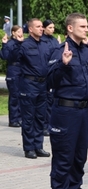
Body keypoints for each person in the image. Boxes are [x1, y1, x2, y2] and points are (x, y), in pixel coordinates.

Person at [46, 13, 88, 189]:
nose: (87, 29)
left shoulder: (86, 51)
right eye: (83, 26)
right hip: (65, 112)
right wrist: (62, 64)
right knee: (64, 158)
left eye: (87, 26)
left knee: (79, 158)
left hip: (83, 112)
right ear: (70, 28)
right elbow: (49, 81)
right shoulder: (60, 51)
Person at [17, 18, 52, 159]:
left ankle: (38, 146)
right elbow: (13, 58)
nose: (41, 29)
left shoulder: (46, 44)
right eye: (38, 26)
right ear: (30, 29)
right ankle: (29, 147)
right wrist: (15, 43)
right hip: (29, 84)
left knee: (40, 117)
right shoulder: (24, 45)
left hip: (43, 85)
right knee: (28, 117)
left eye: (41, 27)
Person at [1, 25, 24, 127]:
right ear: (13, 33)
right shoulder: (10, 44)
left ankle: (20, 118)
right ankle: (13, 119)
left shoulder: (23, 43)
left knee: (22, 96)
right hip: (13, 70)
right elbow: (5, 56)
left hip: (22, 71)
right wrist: (4, 44)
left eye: (21, 31)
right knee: (14, 96)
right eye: (18, 31)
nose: (21, 33)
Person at [42, 19, 60, 137]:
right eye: (50, 28)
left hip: (53, 74)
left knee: (52, 102)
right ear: (44, 28)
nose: (52, 30)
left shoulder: (54, 41)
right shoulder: (41, 40)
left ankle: (51, 124)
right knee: (45, 103)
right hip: (44, 75)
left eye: (53, 28)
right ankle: (44, 126)